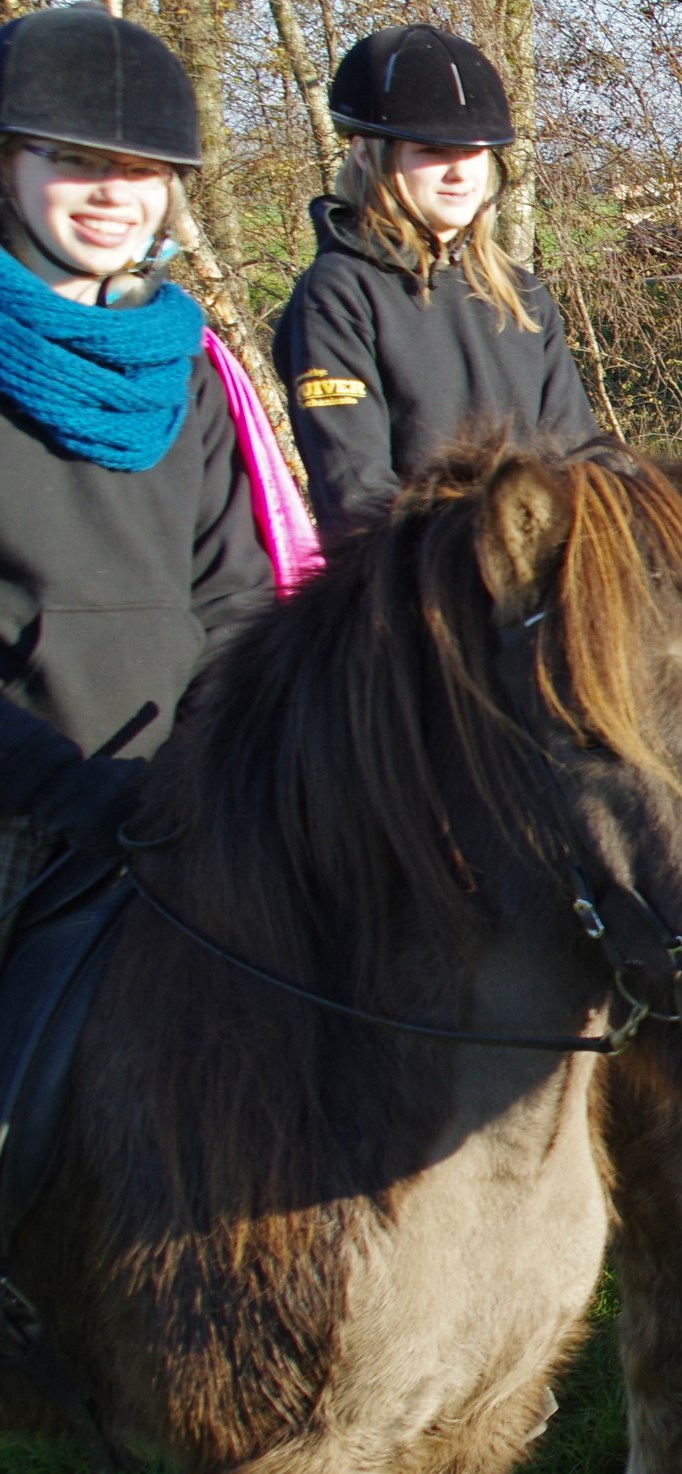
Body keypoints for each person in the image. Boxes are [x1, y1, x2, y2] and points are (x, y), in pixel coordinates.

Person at [0, 4, 272, 943]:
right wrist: (62, 786)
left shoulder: (184, 368)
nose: (114, 194)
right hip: (22, 806)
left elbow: (233, 592)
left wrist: (207, 765)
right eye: (73, 160)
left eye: (143, 171)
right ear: (8, 165)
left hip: (169, 797)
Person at [273, 25, 595, 544]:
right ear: (364, 154)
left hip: (535, 585)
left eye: (474, 153)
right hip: (417, 596)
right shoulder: (336, 295)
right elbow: (357, 498)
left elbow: (579, 452)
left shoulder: (523, 293)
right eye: (431, 151)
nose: (459, 174)